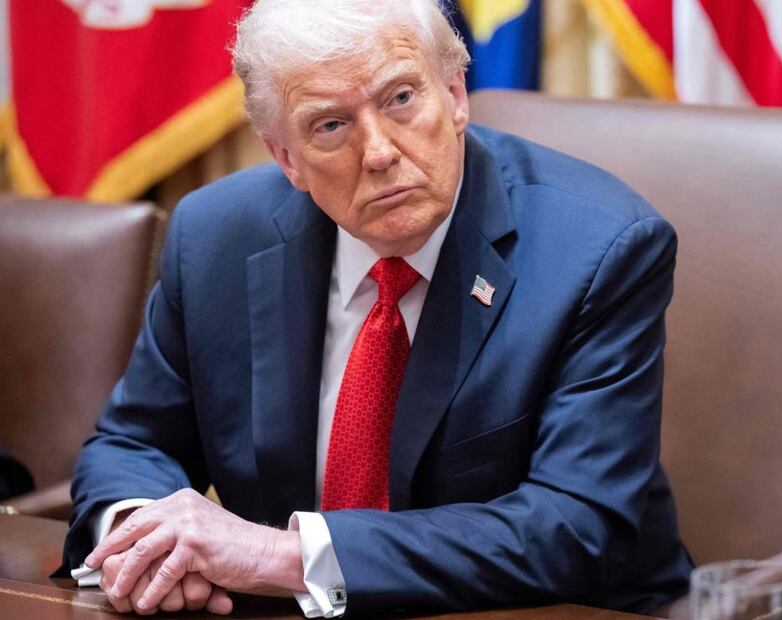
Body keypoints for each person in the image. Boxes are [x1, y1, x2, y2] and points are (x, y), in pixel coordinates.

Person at [65, 0, 693, 616]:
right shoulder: (215, 237)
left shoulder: (598, 249)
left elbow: (571, 528)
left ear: (454, 96)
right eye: (330, 125)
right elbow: (133, 441)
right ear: (287, 158)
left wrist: (280, 556)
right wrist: (141, 538)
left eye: (400, 98)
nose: (379, 152)